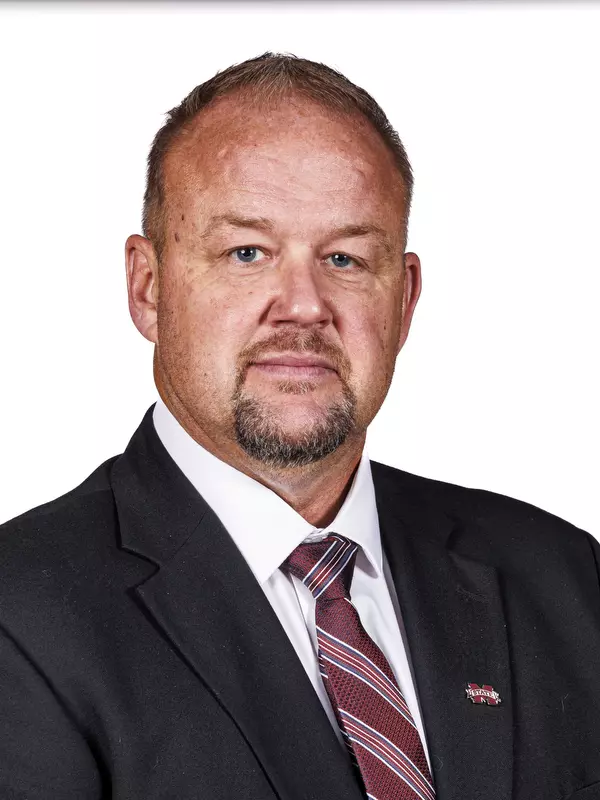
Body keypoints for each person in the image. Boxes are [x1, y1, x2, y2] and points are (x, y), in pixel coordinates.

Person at [0, 52, 599, 800]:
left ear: (404, 300)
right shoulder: (20, 615)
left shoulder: (564, 580)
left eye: (346, 258)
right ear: (148, 289)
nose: (304, 305)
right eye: (246, 252)